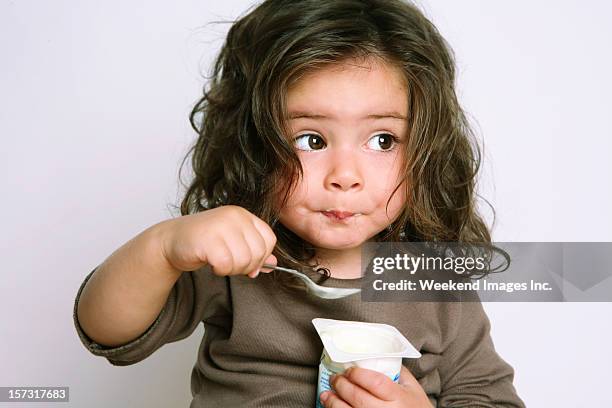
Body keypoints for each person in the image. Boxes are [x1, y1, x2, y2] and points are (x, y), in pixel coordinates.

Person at [73, 0, 526, 406]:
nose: (345, 176)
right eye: (311, 140)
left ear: (426, 148)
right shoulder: (235, 254)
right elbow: (107, 332)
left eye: (383, 140)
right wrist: (162, 248)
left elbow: (491, 398)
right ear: (253, 145)